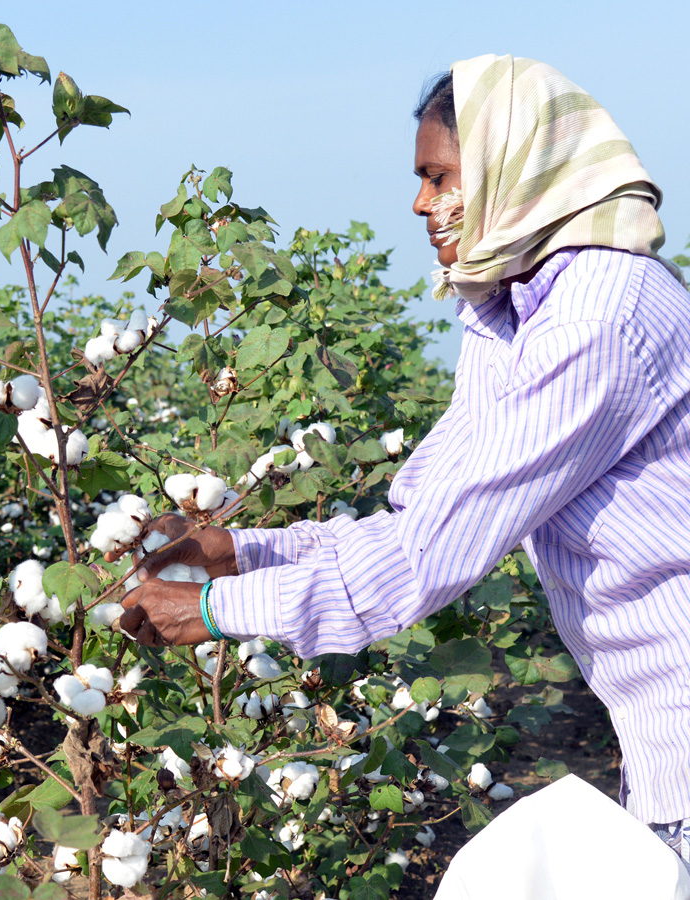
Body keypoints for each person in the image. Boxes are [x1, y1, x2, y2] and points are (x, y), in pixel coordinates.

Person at [115, 53, 690, 866]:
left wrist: (213, 610)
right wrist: (238, 550)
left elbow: (427, 558)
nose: (422, 203)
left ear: (514, 170)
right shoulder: (517, 308)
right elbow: (419, 518)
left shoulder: (595, 321)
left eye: (439, 176)